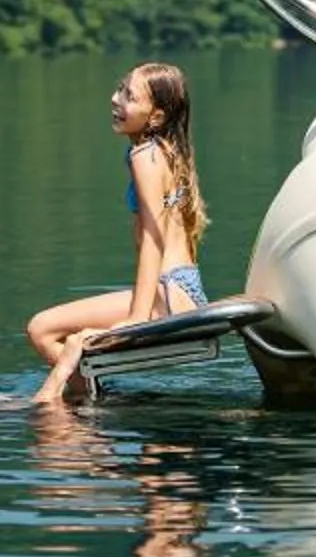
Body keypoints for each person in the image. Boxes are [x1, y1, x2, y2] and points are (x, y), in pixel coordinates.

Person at [26, 62, 210, 370]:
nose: (116, 99)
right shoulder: (165, 150)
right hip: (182, 288)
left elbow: (155, 239)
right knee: (50, 331)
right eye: (120, 89)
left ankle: (76, 408)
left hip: (166, 294)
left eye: (130, 97)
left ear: (156, 117)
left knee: (41, 329)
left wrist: (137, 318)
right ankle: (90, 400)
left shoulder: (145, 156)